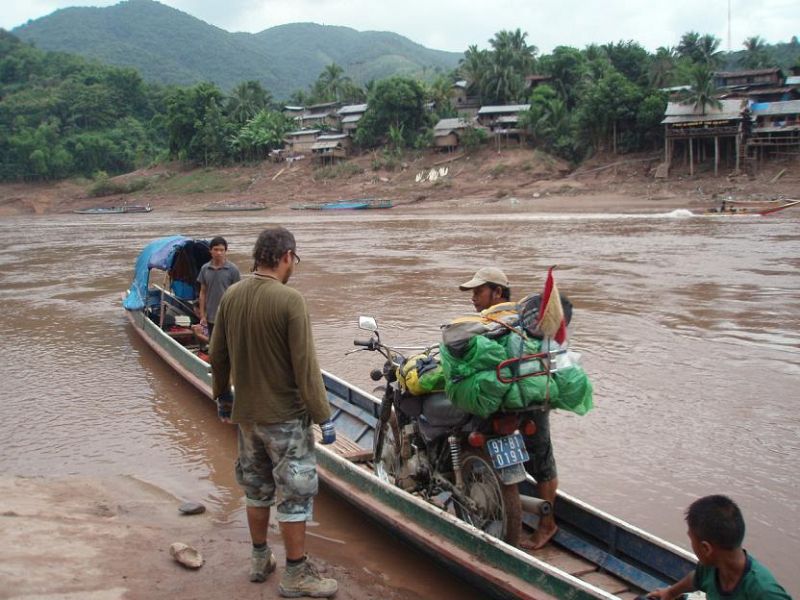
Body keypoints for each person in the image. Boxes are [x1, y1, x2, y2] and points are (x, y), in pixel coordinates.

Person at [210, 226, 338, 597]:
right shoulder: (289, 300)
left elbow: (217, 354)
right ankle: (295, 574)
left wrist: (222, 396)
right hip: (285, 419)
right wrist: (323, 415)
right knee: (294, 495)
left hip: (247, 418)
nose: (293, 265)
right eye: (294, 259)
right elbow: (306, 368)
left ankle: (259, 559)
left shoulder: (232, 295)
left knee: (256, 489)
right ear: (285, 257)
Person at [458, 266, 559, 550]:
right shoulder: (521, 317)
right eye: (472, 292)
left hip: (512, 396)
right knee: (542, 459)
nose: (473, 297)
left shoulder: (491, 321)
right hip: (528, 396)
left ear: (497, 292)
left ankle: (547, 524)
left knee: (538, 458)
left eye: (479, 291)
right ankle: (541, 522)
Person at [644, 495, 792, 600]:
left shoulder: (763, 591)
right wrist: (670, 593)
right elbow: (695, 578)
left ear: (706, 549)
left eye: (691, 539)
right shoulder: (710, 567)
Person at [197, 236, 241, 339]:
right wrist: (202, 314)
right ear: (210, 251)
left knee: (228, 341)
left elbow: (238, 295)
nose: (219, 253)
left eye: (222, 250)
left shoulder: (233, 270)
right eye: (216, 250)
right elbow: (203, 292)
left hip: (228, 316)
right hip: (211, 316)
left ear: (226, 251)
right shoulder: (205, 269)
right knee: (213, 342)